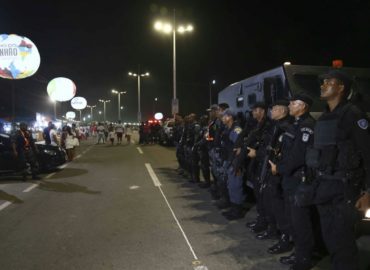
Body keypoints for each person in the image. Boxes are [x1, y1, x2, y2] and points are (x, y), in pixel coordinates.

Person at [308, 69, 370, 270]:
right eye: (322, 82)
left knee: (343, 244)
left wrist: (368, 192)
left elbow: (368, 154)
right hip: (325, 187)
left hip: (344, 189)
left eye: (329, 82)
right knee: (332, 242)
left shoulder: (353, 114)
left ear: (341, 87)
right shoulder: (325, 117)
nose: (323, 85)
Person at [269, 93, 316, 270]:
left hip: (300, 180)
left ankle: (304, 260)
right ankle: (298, 253)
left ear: (302, 106)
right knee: (292, 220)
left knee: (301, 222)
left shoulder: (307, 127)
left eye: (292, 103)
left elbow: (298, 157)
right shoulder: (296, 125)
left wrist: (278, 169)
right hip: (290, 179)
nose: (289, 105)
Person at [220, 109, 245, 220]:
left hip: (235, 163)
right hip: (230, 161)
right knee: (231, 186)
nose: (222, 118)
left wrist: (238, 165)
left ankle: (237, 212)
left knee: (235, 187)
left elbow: (240, 149)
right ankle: (233, 208)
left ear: (229, 117)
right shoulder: (229, 128)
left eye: (223, 116)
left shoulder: (236, 130)